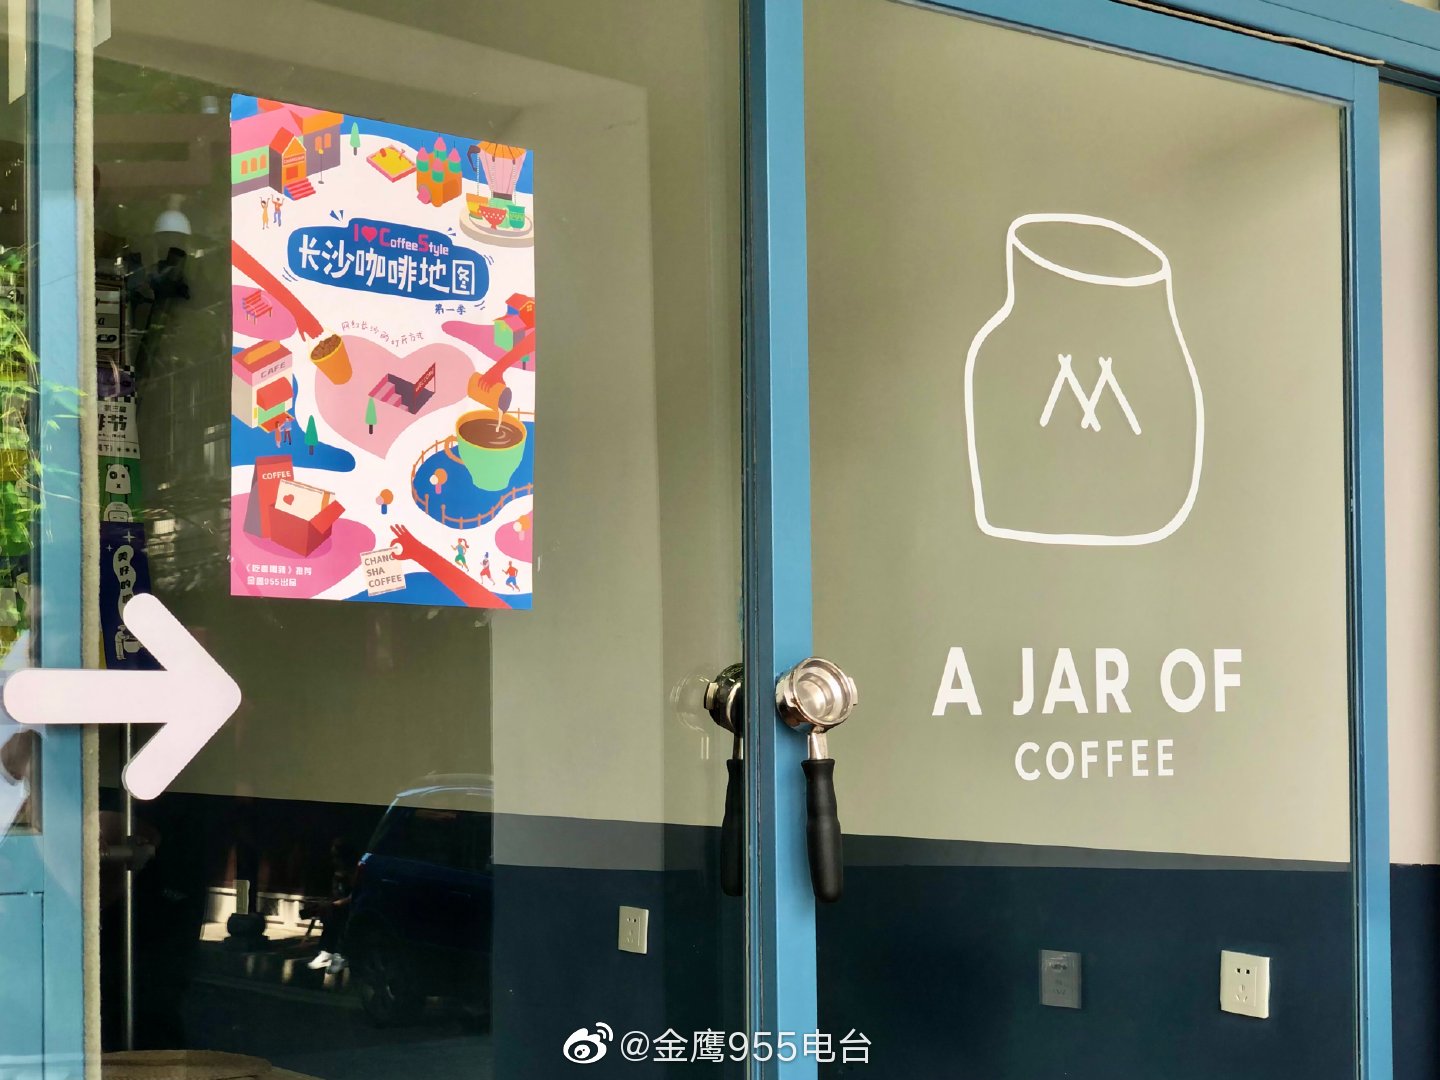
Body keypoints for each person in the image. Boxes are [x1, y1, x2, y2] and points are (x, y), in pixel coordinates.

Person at [307, 838, 358, 974]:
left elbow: (355, 895)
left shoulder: (353, 872)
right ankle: (326, 952)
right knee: (328, 917)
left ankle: (339, 954)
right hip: (336, 905)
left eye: (336, 856)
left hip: (348, 907)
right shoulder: (337, 871)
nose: (334, 859)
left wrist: (338, 903)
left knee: (340, 921)